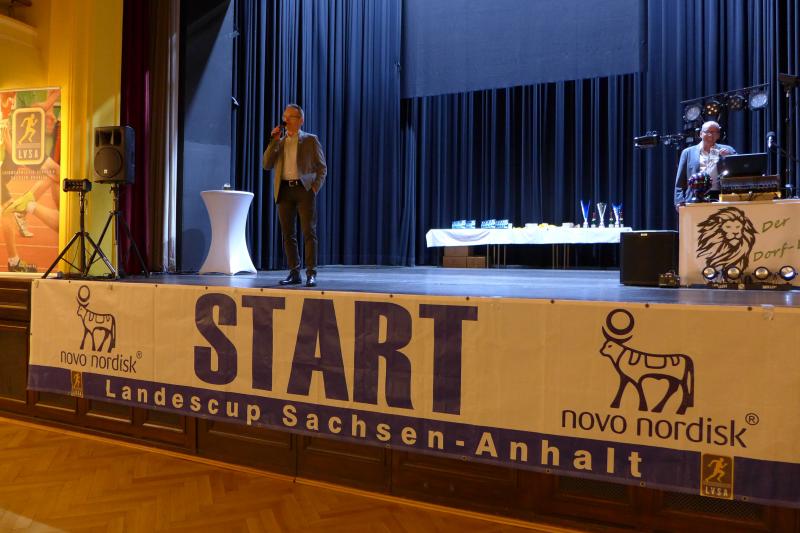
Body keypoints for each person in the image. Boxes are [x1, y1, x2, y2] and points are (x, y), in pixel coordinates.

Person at [262, 104, 327, 287]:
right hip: (284, 190)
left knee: (308, 232)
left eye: (291, 117)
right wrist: (273, 141)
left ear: (300, 120)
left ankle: (311, 273)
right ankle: (294, 272)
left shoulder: (310, 140)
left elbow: (322, 168)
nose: (286, 120)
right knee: (288, 234)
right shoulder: (280, 142)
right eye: (285, 116)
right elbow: (266, 164)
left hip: (304, 189)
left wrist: (314, 188)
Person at [674, 120, 736, 208]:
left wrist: (729, 157)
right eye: (708, 132)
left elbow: (739, 169)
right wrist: (679, 200)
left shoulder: (728, 150)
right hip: (694, 198)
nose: (711, 135)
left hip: (721, 196)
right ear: (700, 134)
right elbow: (680, 180)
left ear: (718, 135)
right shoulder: (688, 152)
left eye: (715, 132)